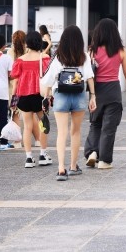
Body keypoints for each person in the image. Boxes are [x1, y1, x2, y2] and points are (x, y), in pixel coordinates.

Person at [40, 25, 96, 181]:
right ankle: (73, 166)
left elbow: (49, 80)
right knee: (75, 132)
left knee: (62, 133)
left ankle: (61, 169)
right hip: (78, 95)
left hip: (61, 96)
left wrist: (46, 97)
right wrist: (93, 96)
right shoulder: (84, 56)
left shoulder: (58, 57)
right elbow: (89, 77)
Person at [84, 18, 126, 170]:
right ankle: (104, 161)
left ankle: (92, 152)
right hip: (113, 90)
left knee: (95, 123)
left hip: (96, 91)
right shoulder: (120, 50)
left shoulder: (92, 50)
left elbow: (88, 73)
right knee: (109, 127)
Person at [10, 31, 52, 169]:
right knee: (43, 124)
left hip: (23, 97)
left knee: (27, 127)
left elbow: (15, 82)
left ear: (27, 43)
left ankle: (29, 158)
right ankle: (43, 155)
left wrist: (13, 101)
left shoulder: (20, 60)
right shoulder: (45, 58)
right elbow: (50, 78)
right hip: (39, 96)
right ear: (40, 43)